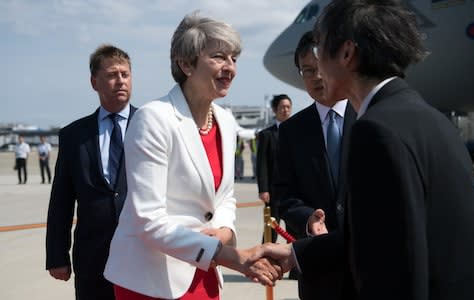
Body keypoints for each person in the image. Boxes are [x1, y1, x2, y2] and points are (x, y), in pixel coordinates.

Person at [256, 0, 474, 299]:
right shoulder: (433, 120)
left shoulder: (376, 130)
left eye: (321, 51)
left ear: (346, 53)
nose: (318, 71)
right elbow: (387, 235)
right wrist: (297, 253)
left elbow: (394, 267)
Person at [104, 12, 280, 300]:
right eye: (219, 57)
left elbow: (224, 198)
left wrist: (224, 232)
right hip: (152, 278)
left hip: (205, 269)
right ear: (185, 64)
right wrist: (233, 256)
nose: (230, 67)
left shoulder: (224, 120)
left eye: (234, 58)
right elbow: (148, 220)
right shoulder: (154, 118)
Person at [45, 44, 136, 300]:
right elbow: (61, 200)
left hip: (144, 256)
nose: (120, 81)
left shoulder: (152, 126)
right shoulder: (74, 135)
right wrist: (57, 254)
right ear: (94, 82)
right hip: (93, 260)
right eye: (112, 75)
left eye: (125, 74)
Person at [275, 30, 356, 300]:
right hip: (319, 272)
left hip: (370, 265)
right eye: (307, 70)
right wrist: (308, 218)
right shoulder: (291, 131)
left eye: (321, 68)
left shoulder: (371, 118)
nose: (317, 77)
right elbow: (283, 195)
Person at [256, 94, 292, 243]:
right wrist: (263, 189)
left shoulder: (297, 132)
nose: (285, 110)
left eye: (288, 107)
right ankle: (267, 259)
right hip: (273, 191)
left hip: (293, 191)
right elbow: (261, 163)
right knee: (272, 226)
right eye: (282, 107)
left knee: (294, 228)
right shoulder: (267, 135)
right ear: (274, 110)